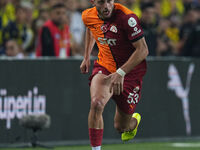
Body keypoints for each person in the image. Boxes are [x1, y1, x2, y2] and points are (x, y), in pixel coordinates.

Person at [80, 0, 149, 150]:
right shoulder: (87, 15)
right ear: (93, 2)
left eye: (109, 1)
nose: (106, 6)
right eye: (101, 2)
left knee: (121, 127)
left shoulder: (127, 18)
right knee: (96, 103)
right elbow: (91, 28)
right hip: (105, 66)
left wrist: (121, 72)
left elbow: (143, 50)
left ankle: (133, 122)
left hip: (130, 72)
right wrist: (86, 57)